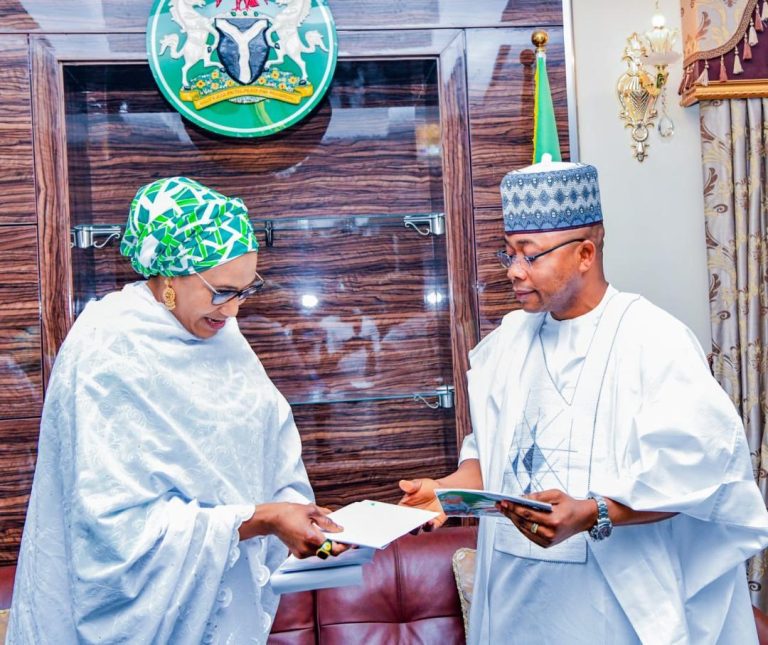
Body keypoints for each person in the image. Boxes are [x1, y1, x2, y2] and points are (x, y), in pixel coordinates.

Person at [399, 157, 768, 644]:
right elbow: (492, 458)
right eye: (508, 253)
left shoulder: (652, 338)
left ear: (585, 254)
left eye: (530, 255)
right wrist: (446, 492)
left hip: (610, 607)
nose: (514, 271)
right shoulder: (507, 342)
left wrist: (592, 512)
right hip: (513, 602)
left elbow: (700, 473)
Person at [7, 177, 341, 644]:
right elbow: (114, 530)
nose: (233, 311)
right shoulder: (108, 346)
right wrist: (262, 518)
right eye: (221, 291)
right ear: (169, 276)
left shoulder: (226, 340)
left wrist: (297, 513)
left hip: (223, 605)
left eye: (245, 291)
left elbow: (267, 447)